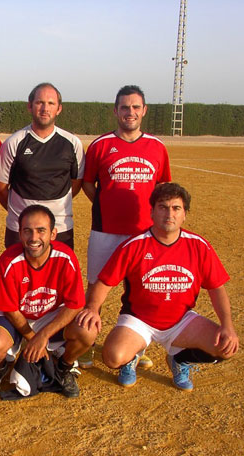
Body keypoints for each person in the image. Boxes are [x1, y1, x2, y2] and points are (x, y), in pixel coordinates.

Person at [76, 183, 238, 391]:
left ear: (184, 214)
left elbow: (217, 289)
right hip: (139, 320)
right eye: (163, 207)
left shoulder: (198, 245)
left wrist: (227, 325)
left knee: (226, 348)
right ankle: (131, 357)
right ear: (152, 212)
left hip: (181, 321)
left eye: (176, 208)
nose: (169, 214)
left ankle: (179, 359)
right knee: (113, 357)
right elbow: (105, 282)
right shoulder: (135, 245)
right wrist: (92, 308)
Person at [80, 85, 171, 369]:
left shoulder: (157, 147)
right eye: (124, 107)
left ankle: (135, 348)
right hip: (105, 231)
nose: (129, 112)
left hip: (144, 234)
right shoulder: (100, 145)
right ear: (115, 111)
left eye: (135, 107)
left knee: (140, 291)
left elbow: (163, 188)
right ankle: (85, 343)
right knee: (96, 287)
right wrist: (108, 204)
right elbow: (87, 183)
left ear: (143, 110)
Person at [0, 205, 96, 398]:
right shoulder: (9, 261)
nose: (34, 238)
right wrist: (32, 337)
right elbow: (9, 308)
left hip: (50, 314)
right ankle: (0, 366)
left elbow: (75, 304)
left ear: (53, 233)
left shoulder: (65, 257)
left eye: (41, 230)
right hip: (16, 316)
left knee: (88, 330)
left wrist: (42, 337)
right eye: (27, 231)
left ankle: (64, 366)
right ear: (19, 233)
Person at [0, 82, 84, 250]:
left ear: (59, 109)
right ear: (30, 106)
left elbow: (75, 184)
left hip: (60, 227)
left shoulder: (72, 143)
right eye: (39, 102)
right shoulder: (14, 142)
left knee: (57, 276)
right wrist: (23, 214)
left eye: (51, 103)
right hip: (21, 228)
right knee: (19, 276)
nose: (45, 108)